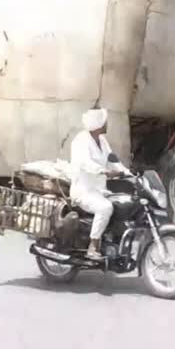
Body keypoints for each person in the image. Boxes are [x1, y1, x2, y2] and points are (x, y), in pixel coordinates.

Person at [68, 108, 130, 260]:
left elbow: (112, 159)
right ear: (98, 124)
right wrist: (103, 171)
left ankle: (112, 240)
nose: (107, 124)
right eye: (104, 121)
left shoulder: (102, 140)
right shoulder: (81, 140)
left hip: (98, 190)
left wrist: (127, 172)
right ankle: (93, 245)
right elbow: (85, 163)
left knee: (123, 203)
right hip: (83, 190)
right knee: (105, 207)